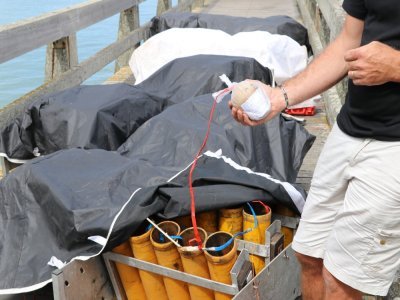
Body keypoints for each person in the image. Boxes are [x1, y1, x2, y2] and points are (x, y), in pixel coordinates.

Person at [230, 1, 400, 299]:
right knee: (310, 254)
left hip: (393, 150)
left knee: (341, 280)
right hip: (349, 129)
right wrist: (280, 98)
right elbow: (349, 40)